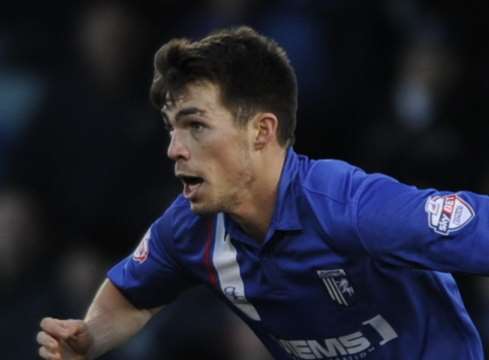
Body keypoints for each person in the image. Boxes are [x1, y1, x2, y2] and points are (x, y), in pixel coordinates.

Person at [37, 26, 488, 360]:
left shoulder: (350, 207)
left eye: (196, 126)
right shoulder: (189, 229)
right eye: (172, 129)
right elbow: (131, 295)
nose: (174, 149)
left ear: (261, 131)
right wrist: (90, 336)